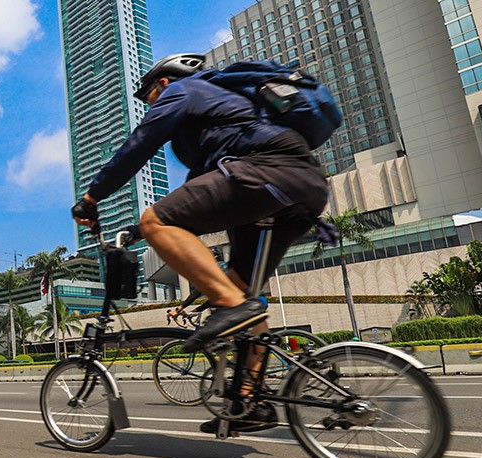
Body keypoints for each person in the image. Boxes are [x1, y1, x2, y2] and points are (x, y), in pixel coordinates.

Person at [71, 54, 329, 434]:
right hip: (302, 186)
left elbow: (139, 145)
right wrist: (143, 231)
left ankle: (231, 306)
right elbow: (197, 192)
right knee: (250, 300)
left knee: (170, 233)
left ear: (163, 82)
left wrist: (92, 198)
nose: (151, 104)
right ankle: (249, 401)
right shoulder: (224, 114)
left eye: (149, 96)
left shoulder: (183, 90)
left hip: (265, 173)